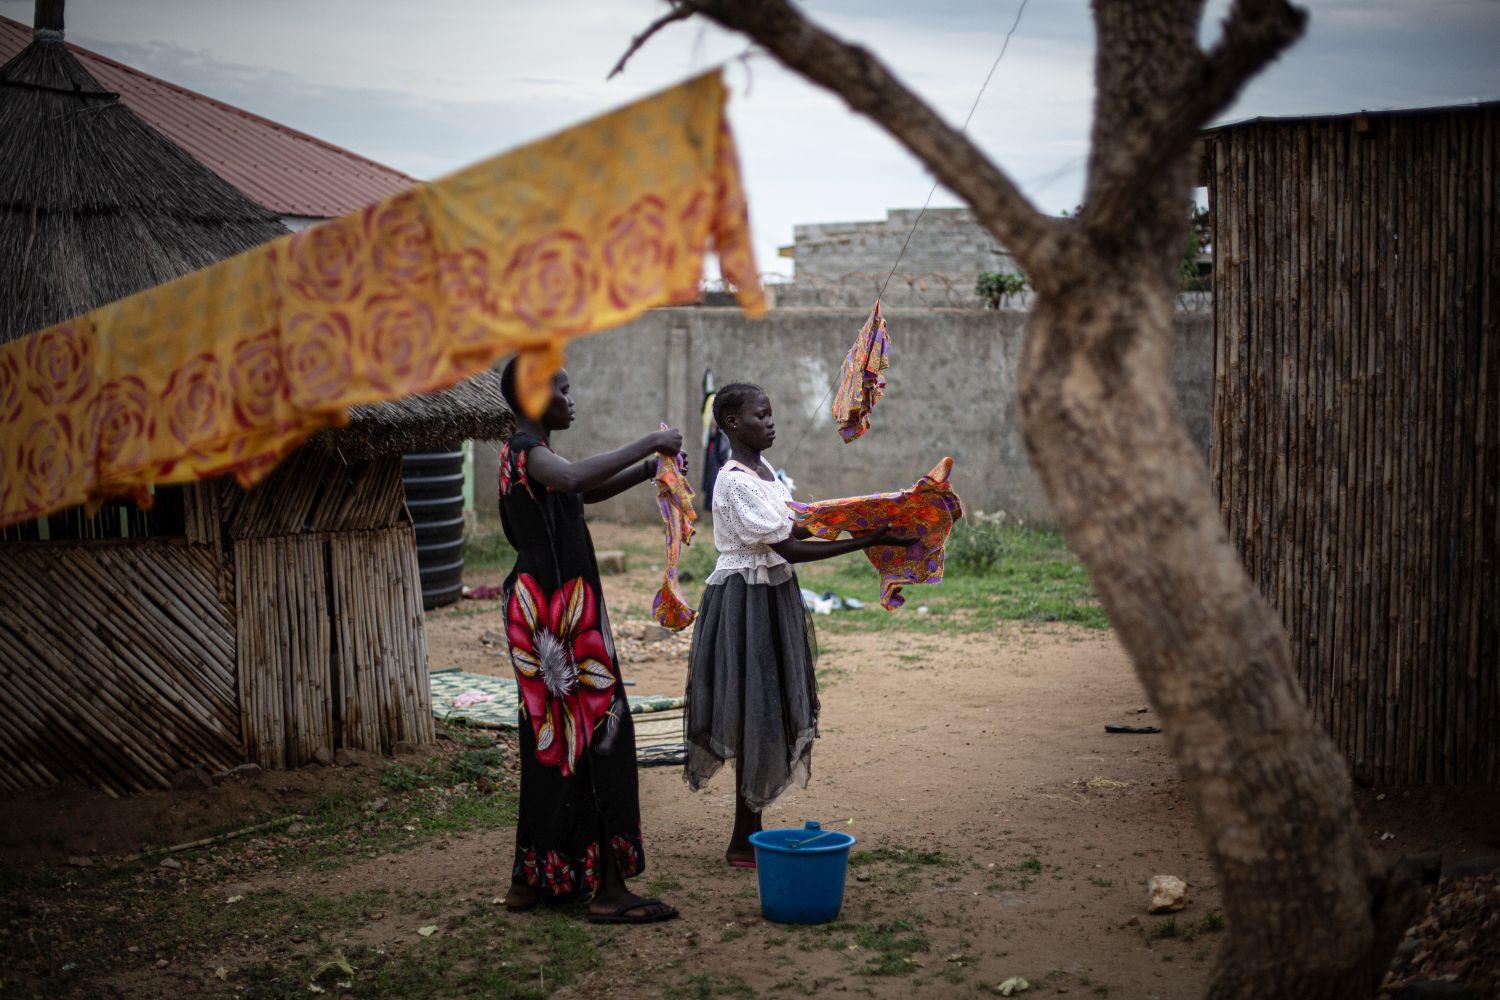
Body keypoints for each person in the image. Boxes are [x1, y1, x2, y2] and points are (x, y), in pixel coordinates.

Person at [684, 382, 914, 867]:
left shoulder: (765, 472)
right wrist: (865, 538)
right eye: (760, 416)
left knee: (770, 704)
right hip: (744, 600)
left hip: (772, 595)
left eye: (771, 415)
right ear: (731, 424)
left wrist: (855, 518)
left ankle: (748, 833)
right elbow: (788, 547)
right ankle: (743, 837)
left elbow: (794, 525)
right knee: (753, 707)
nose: (770, 423)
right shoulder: (732, 481)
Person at [496, 358, 681, 924]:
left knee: (552, 746)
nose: (571, 398)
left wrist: (651, 468)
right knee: (601, 740)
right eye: (561, 388)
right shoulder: (529, 451)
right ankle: (608, 890)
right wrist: (650, 439)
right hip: (558, 618)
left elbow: (580, 493)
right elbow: (575, 479)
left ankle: (533, 880)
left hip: (544, 612)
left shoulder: (530, 455)